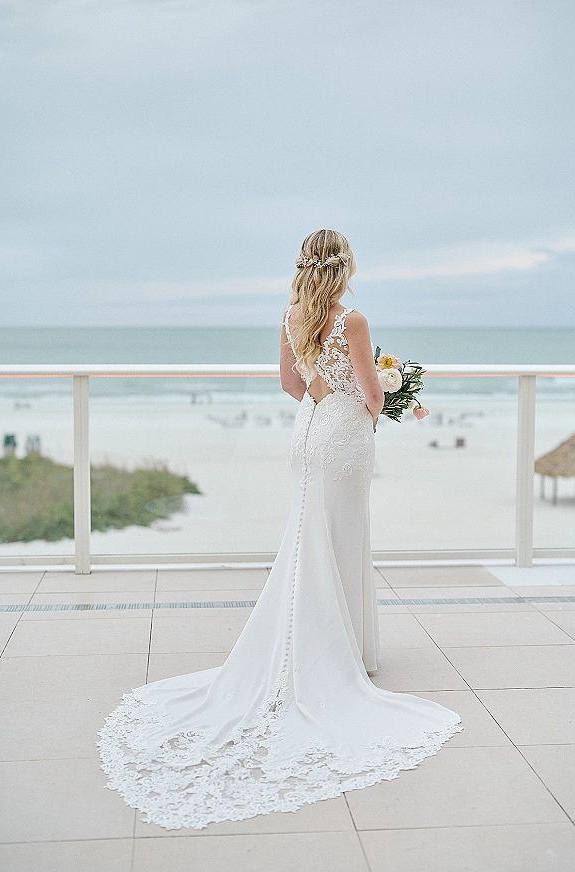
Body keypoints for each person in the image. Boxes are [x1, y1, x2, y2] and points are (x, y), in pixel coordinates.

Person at [98, 229, 462, 831]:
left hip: (309, 432)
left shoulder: (293, 316)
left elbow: (292, 386)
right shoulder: (354, 321)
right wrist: (377, 405)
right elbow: (372, 392)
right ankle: (344, 655)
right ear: (345, 267)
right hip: (343, 436)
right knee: (342, 541)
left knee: (306, 544)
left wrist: (332, 394)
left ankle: (323, 646)